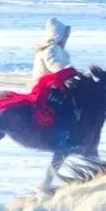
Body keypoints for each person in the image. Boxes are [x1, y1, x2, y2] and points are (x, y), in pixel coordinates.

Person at [31, 18, 78, 151]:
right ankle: (59, 139)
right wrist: (71, 73)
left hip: (55, 86)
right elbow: (56, 67)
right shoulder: (51, 50)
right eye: (65, 36)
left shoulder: (57, 49)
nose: (66, 39)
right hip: (45, 89)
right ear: (58, 35)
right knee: (65, 107)